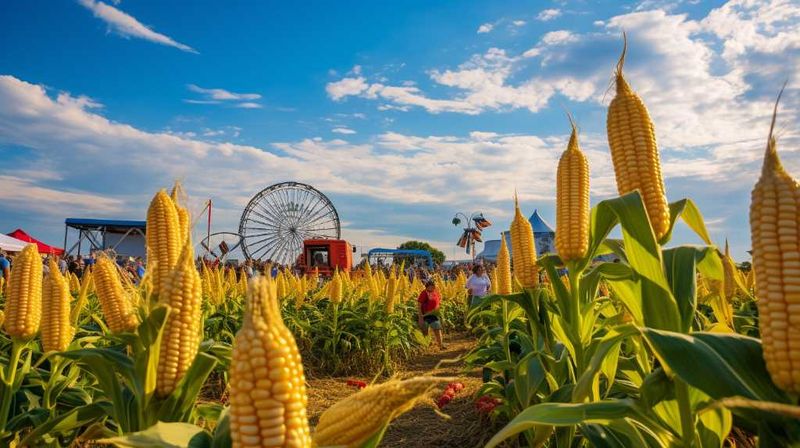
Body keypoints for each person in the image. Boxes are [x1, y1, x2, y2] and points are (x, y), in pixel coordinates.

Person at [417, 279, 446, 350]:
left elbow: (438, 302)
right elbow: (419, 305)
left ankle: (441, 345)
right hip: (425, 314)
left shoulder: (434, 292)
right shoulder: (424, 293)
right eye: (431, 286)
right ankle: (426, 346)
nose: (432, 287)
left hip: (434, 314)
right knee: (425, 330)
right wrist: (420, 317)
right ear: (427, 286)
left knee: (437, 329)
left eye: (433, 286)